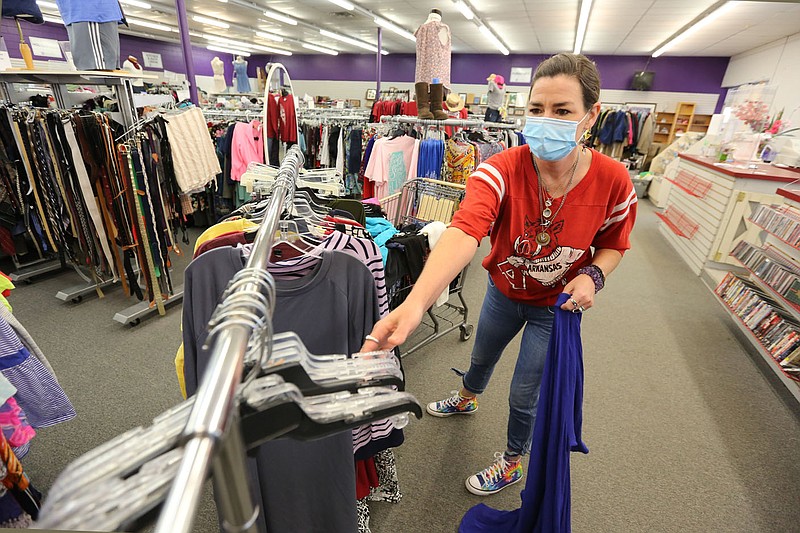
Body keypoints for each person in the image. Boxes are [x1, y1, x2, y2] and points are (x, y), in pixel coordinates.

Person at [361, 53, 637, 496]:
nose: (546, 121)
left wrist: (593, 277)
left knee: (524, 393)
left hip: (556, 308)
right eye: (536, 109)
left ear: (591, 115)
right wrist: (415, 305)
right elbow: (465, 230)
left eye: (562, 111)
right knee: (482, 358)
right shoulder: (501, 168)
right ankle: (467, 398)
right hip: (503, 292)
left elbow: (614, 244)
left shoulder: (614, 180)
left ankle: (511, 460)